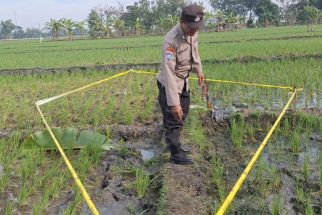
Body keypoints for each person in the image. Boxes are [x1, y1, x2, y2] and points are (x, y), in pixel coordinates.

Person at [156, 4, 205, 165]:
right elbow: (169, 73)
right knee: (173, 117)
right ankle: (175, 153)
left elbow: (194, 51)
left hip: (184, 81)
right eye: (192, 27)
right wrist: (174, 102)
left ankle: (176, 143)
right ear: (182, 22)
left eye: (197, 27)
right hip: (170, 83)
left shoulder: (193, 32)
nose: (194, 31)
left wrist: (199, 70)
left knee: (183, 114)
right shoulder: (170, 41)